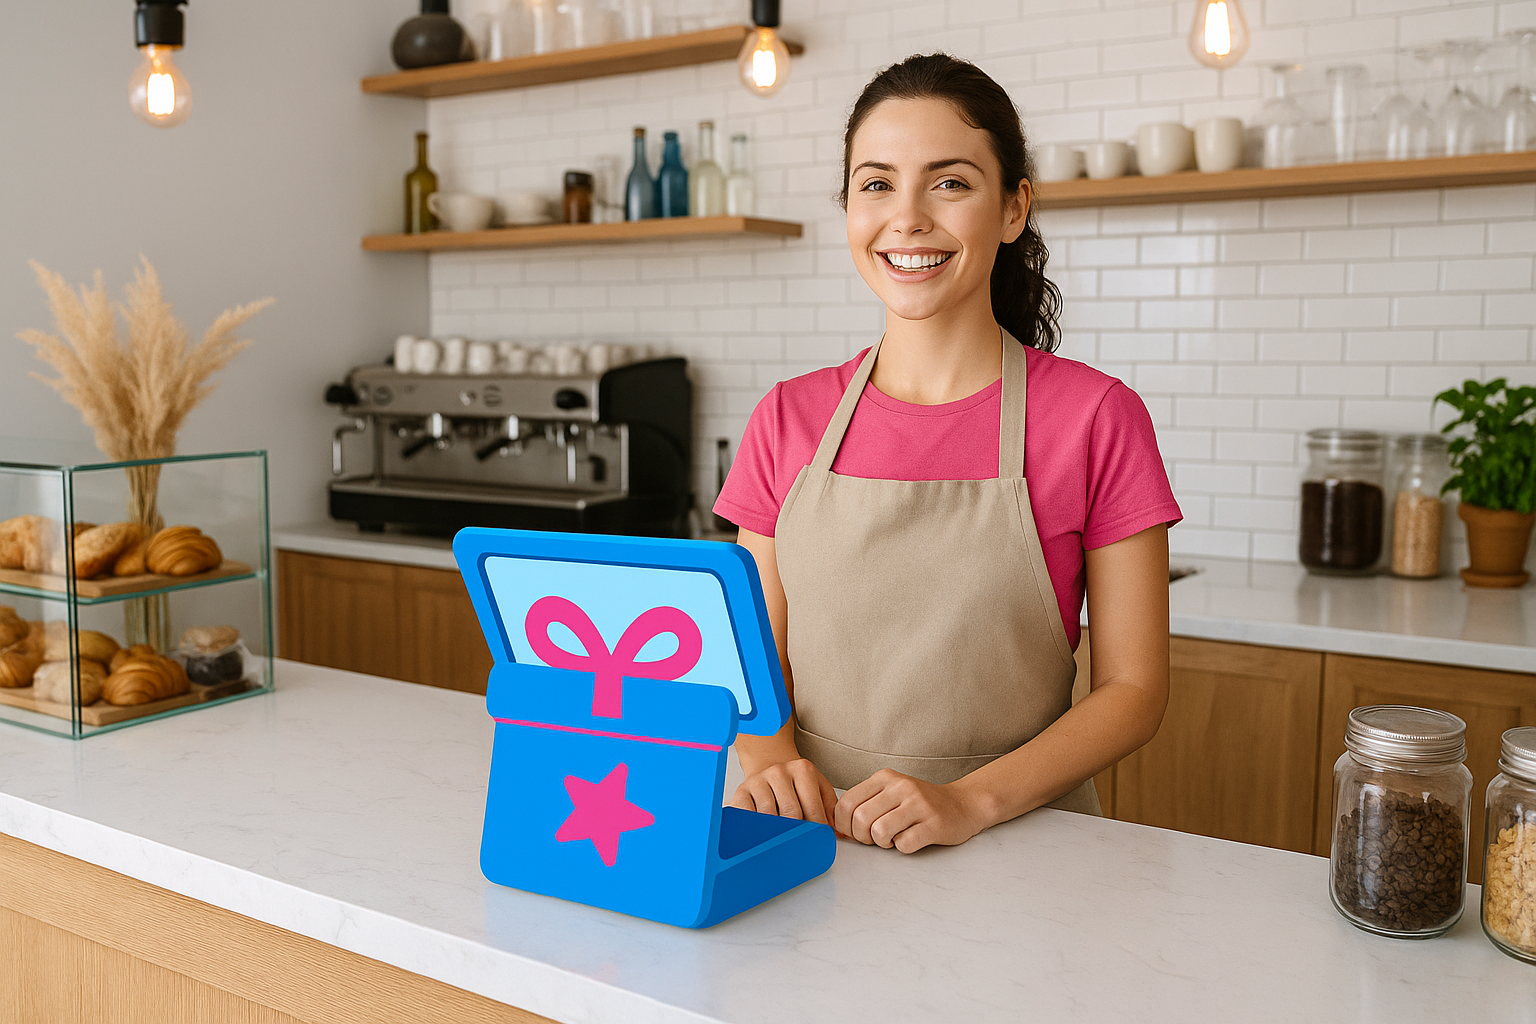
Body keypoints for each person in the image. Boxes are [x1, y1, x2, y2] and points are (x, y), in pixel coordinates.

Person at [711, 53, 1183, 855]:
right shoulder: (788, 417)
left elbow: (1135, 690)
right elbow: (751, 656)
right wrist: (769, 756)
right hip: (810, 840)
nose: (908, 217)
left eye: (951, 182)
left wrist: (970, 802)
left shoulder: (1098, 418)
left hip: (1022, 846)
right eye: (877, 184)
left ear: (1012, 208)